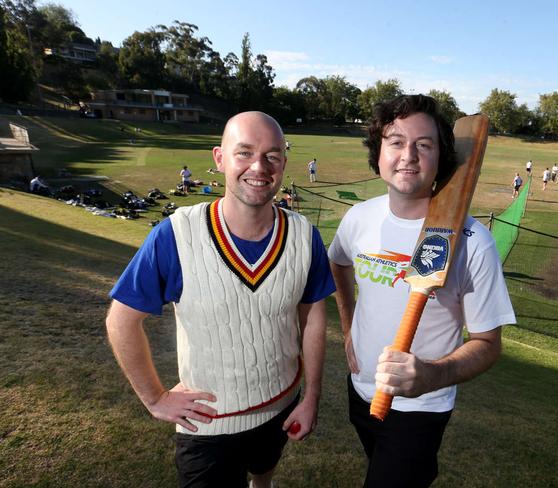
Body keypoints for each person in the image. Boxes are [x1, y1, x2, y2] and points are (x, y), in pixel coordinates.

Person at [106, 112, 335, 488]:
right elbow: (121, 320)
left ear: (283, 164)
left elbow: (312, 318)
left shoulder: (303, 235)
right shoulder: (175, 235)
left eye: (272, 156)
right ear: (219, 158)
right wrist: (155, 399)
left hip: (281, 403)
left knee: (264, 470)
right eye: (244, 152)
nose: (259, 167)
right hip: (207, 424)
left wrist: (311, 397)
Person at [328, 95, 515, 488]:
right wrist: (348, 329)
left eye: (423, 145)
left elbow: (488, 342)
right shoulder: (359, 218)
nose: (407, 155)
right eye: (395, 141)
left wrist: (430, 377)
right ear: (378, 153)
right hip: (361, 391)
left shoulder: (473, 242)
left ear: (440, 157)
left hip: (421, 408)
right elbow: (339, 262)